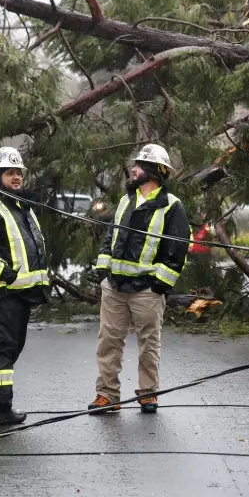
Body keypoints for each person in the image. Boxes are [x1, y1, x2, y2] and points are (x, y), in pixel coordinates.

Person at [88, 144, 190, 414]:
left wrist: (159, 285)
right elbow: (111, 237)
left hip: (147, 290)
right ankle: (107, 396)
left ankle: (148, 394)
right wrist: (104, 272)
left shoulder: (172, 206)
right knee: (108, 342)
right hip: (115, 286)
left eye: (140, 166)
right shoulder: (126, 200)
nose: (134, 170)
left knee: (149, 344)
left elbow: (177, 250)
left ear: (155, 171)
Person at [0, 146, 49, 425]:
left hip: (21, 293)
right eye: (9, 173)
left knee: (9, 349)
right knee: (2, 350)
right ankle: (1, 409)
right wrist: (9, 276)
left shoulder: (21, 207)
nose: (16, 178)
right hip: (2, 292)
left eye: (19, 173)